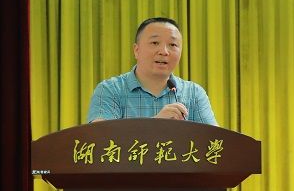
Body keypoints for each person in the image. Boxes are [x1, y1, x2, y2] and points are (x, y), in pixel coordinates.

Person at [86, 17, 218, 125]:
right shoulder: (110, 90)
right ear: (136, 50)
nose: (164, 52)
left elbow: (215, 142)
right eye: (155, 43)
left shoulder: (194, 93)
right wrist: (155, 124)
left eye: (172, 45)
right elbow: (101, 140)